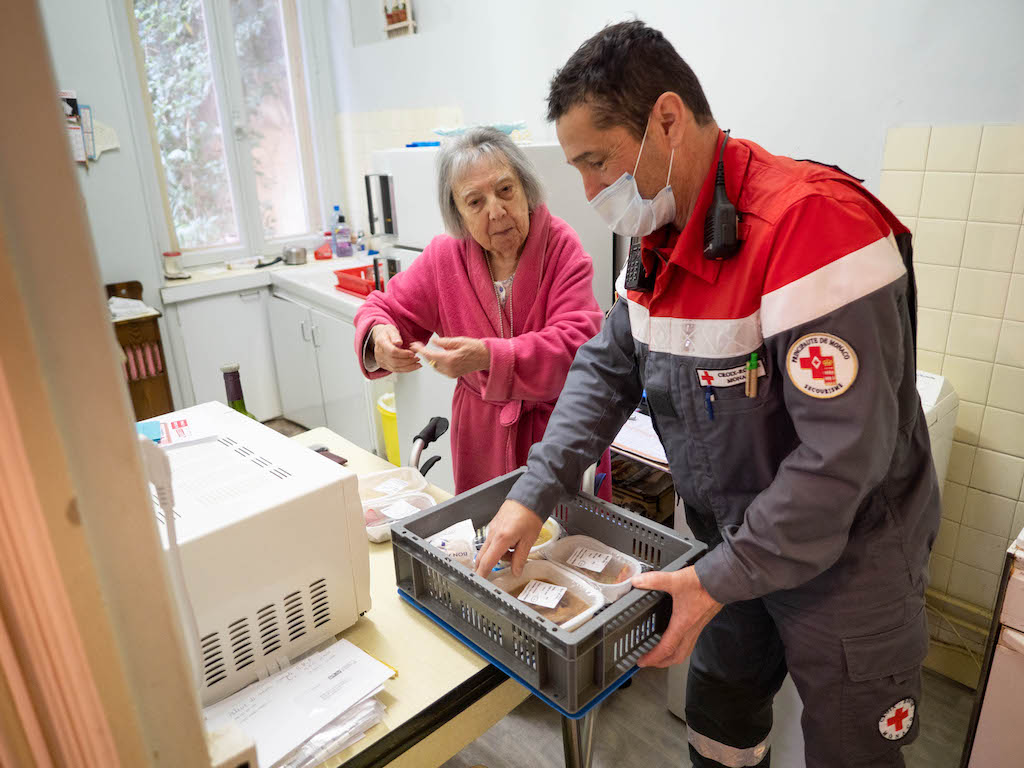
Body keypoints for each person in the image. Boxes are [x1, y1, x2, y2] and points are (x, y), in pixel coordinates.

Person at [475, 21, 939, 768]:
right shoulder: (658, 239)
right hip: (730, 546)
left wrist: (713, 577)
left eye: (597, 163)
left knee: (851, 747)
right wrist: (533, 495)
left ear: (665, 120)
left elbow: (840, 460)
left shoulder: (813, 228)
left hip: (852, 558)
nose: (590, 191)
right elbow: (605, 369)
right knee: (720, 722)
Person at [354, 126, 611, 498]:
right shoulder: (445, 257)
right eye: (475, 201)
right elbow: (384, 309)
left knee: (562, 549)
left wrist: (488, 357)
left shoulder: (561, 246)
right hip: (482, 442)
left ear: (525, 189)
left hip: (557, 436)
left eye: (505, 190)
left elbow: (576, 346)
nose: (496, 210)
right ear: (458, 214)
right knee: (486, 544)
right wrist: (380, 337)